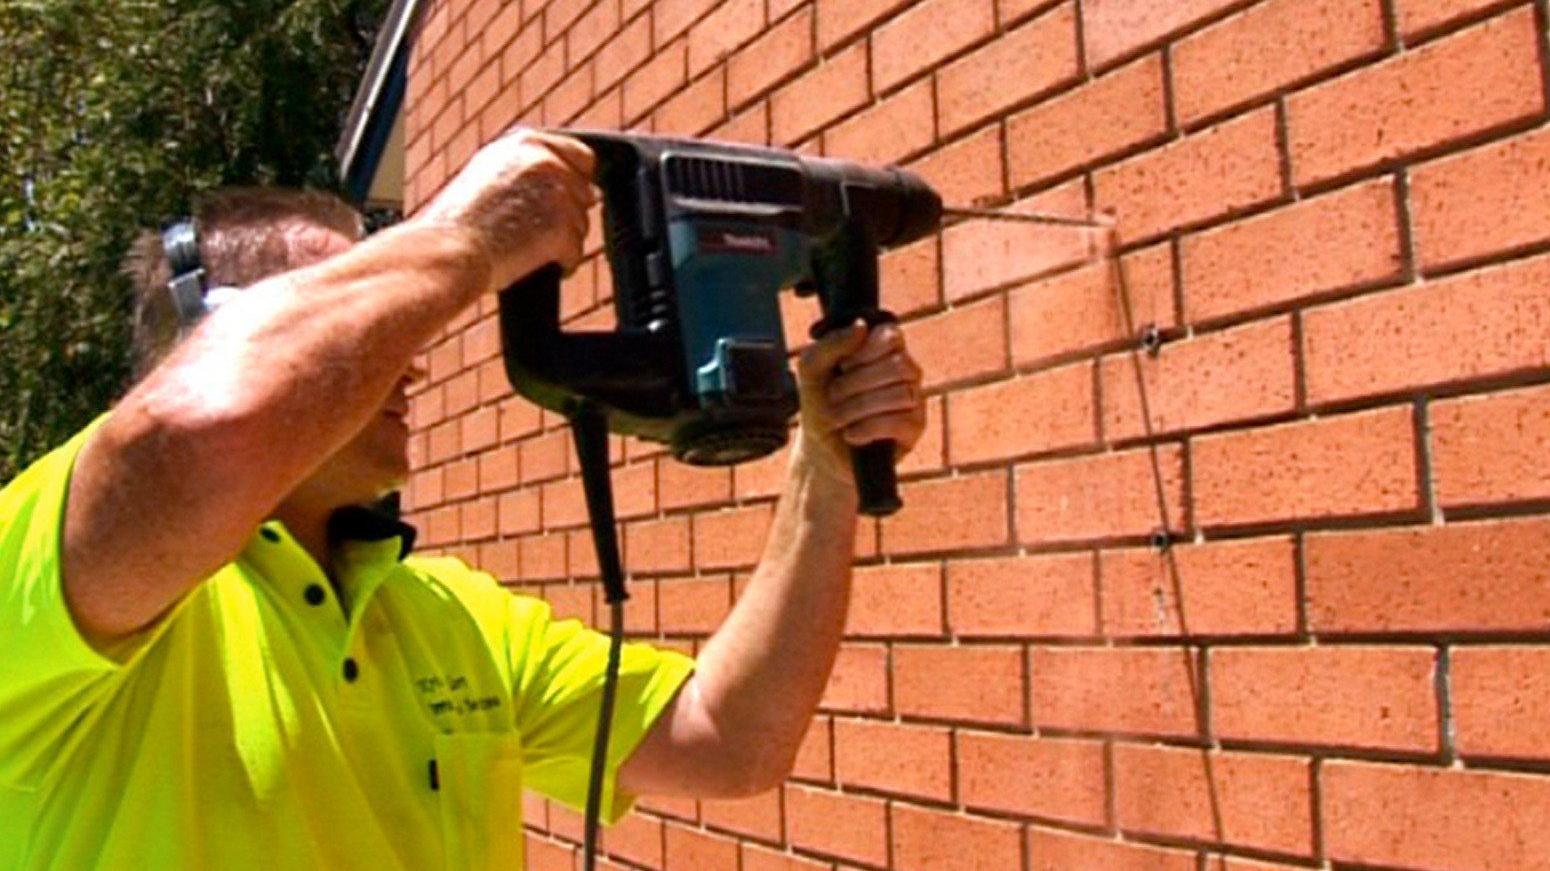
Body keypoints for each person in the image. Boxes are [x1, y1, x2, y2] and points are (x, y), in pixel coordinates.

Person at [0, 129, 926, 869]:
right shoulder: (55, 569)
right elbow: (198, 432)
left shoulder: (450, 618)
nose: (410, 347)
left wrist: (827, 470)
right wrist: (461, 240)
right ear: (211, 334)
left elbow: (730, 738)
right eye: (364, 309)